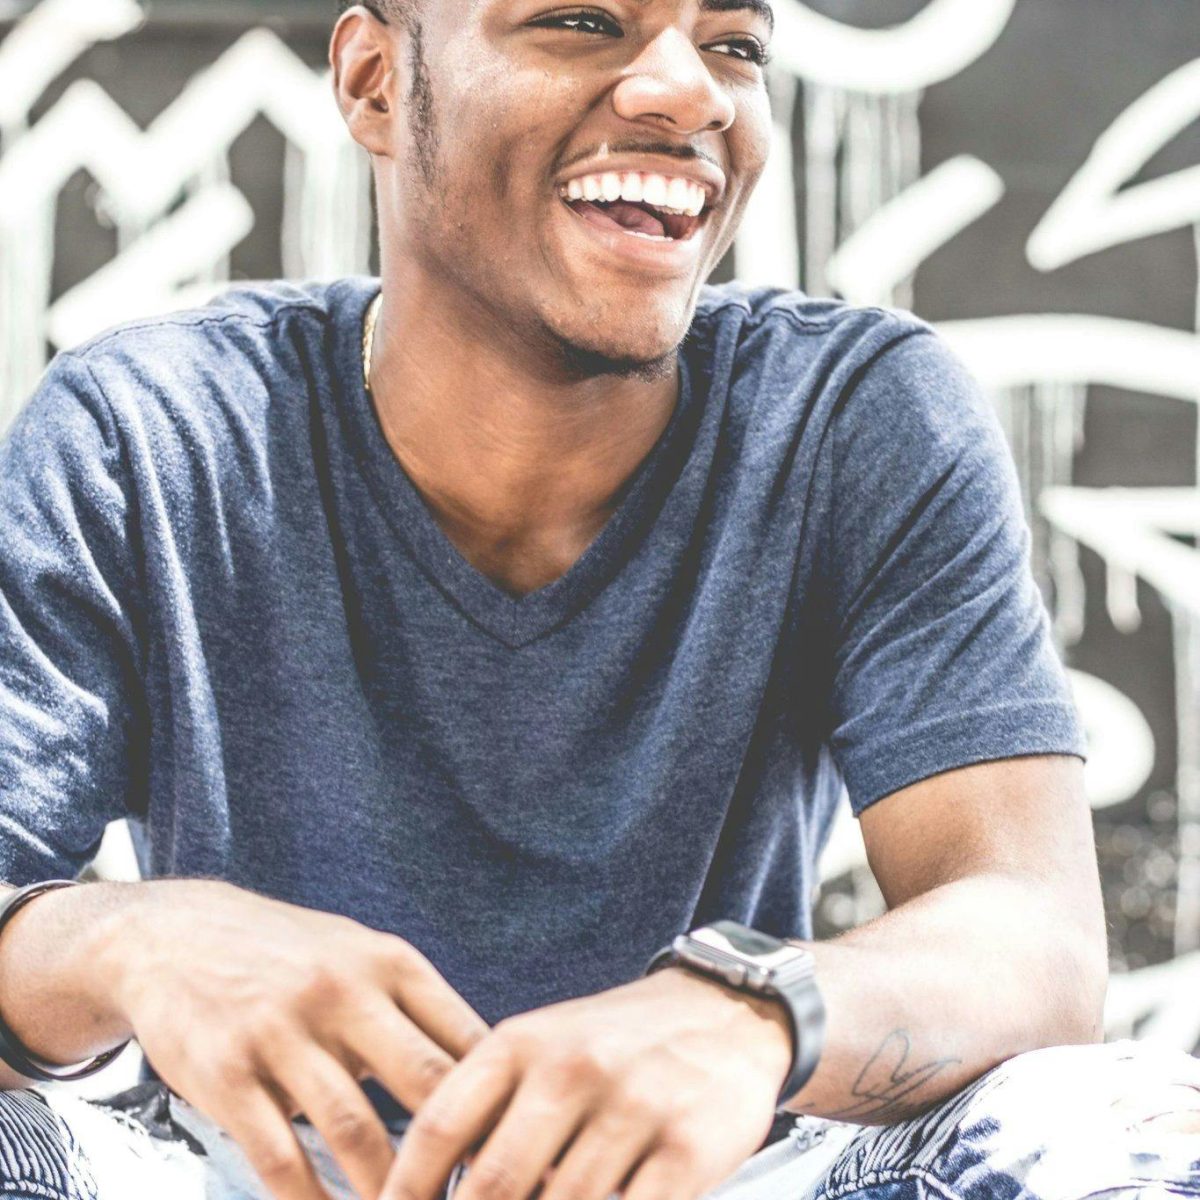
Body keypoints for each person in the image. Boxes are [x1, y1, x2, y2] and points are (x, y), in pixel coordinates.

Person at [0, 0, 1197, 1198]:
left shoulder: (855, 417)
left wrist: (752, 1016)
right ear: (375, 82)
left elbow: (1033, 940)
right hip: (244, 1172)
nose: (691, 93)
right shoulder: (144, 427)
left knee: (1128, 1129)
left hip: (726, 1168)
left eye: (736, 43)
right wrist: (129, 938)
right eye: (581, 20)